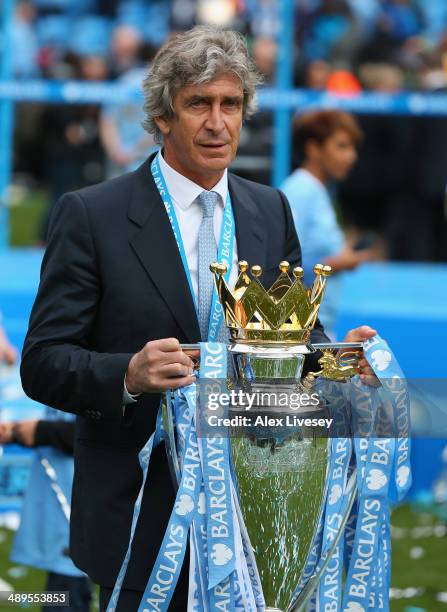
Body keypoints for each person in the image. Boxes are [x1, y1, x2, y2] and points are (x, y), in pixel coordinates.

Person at [20, 26, 376, 611]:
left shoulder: (269, 209)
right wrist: (127, 376)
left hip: (254, 515)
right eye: (198, 105)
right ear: (163, 116)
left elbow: (288, 344)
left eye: (230, 104)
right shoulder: (92, 214)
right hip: (139, 518)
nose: (217, 123)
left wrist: (334, 361)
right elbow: (42, 362)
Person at [281, 110, 374, 337]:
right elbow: (281, 266)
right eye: (342, 146)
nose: (351, 156)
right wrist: (341, 263)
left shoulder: (319, 190)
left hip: (317, 327)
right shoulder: (300, 190)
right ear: (313, 148)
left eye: (353, 148)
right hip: (300, 330)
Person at [0, 416, 92, 612]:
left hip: (73, 520)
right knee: (58, 598)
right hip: (60, 523)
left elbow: (105, 432)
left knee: (64, 600)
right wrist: (17, 430)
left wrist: (41, 430)